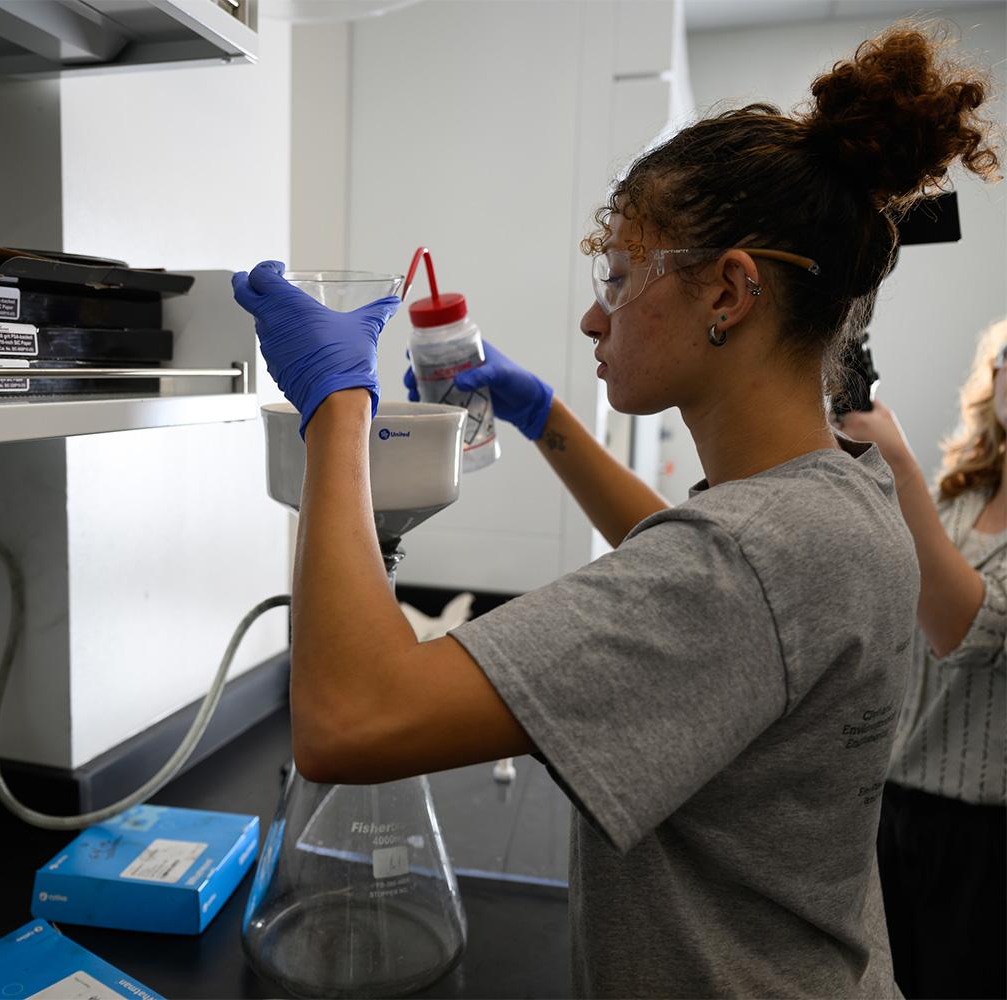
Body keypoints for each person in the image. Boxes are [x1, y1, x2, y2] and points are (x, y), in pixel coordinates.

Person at [232, 24, 999, 998]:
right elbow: (697, 574)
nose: (597, 315)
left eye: (623, 274)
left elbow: (346, 720)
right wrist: (543, 414)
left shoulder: (755, 557)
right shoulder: (845, 490)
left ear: (729, 290)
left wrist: (337, 407)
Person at [835, 319, 1006, 999]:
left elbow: (970, 630)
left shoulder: (924, 486)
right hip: (893, 806)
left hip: (987, 837)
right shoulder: (961, 495)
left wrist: (897, 463)